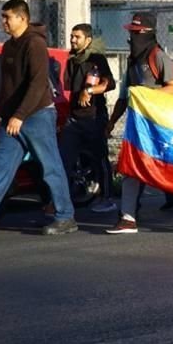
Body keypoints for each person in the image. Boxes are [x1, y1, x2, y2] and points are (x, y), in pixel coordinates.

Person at [0, 0, 77, 240]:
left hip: (37, 115)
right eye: (3, 17)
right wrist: (5, 113)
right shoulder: (9, 46)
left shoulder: (35, 44)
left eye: (7, 17)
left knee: (50, 167)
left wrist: (19, 115)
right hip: (11, 118)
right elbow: (8, 85)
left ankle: (65, 216)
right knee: (1, 168)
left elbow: (38, 83)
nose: (3, 22)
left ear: (22, 18)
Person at [105, 12, 173, 234]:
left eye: (136, 32)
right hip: (140, 127)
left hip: (162, 126)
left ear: (148, 33)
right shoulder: (132, 61)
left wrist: (146, 94)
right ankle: (128, 218)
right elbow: (124, 96)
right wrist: (111, 122)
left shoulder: (158, 56)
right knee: (132, 167)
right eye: (131, 32)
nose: (132, 37)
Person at [60, 23, 117, 214]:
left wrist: (89, 90)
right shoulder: (73, 59)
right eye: (72, 36)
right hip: (74, 118)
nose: (73, 40)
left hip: (93, 117)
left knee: (99, 158)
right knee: (64, 158)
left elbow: (109, 83)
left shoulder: (96, 58)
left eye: (77, 37)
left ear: (88, 40)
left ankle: (107, 197)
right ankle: (62, 201)